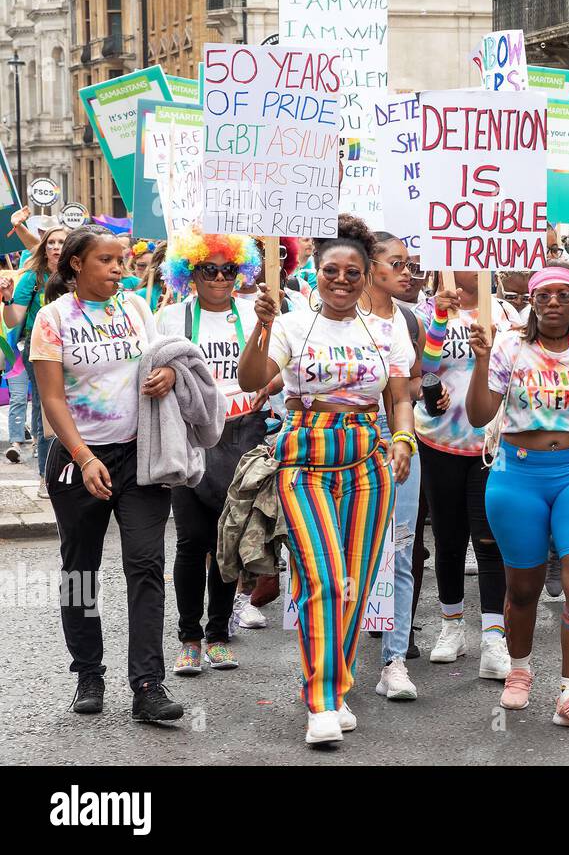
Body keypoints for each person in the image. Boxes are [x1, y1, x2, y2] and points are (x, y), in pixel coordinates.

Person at [238, 217, 416, 745]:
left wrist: (403, 440)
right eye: (331, 271)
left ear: (367, 277)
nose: (341, 280)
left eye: (352, 272)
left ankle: (333, 686)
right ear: (315, 274)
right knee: (324, 577)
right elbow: (252, 382)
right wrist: (261, 327)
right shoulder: (292, 325)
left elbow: (400, 396)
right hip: (305, 461)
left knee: (356, 584)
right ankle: (320, 704)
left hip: (368, 462)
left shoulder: (387, 330)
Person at [465, 263, 569, 734]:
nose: (554, 302)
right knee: (522, 587)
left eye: (564, 295)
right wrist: (480, 362)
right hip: (517, 476)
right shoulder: (509, 345)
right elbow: (480, 416)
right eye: (544, 295)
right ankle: (519, 669)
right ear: (532, 301)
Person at [30, 225, 185, 722]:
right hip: (80, 460)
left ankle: (147, 685)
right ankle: (88, 675)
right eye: (108, 260)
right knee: (80, 570)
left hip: (141, 458)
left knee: (145, 565)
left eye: (122, 260)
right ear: (77, 264)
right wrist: (83, 456)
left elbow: (163, 359)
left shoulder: (137, 308)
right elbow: (51, 397)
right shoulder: (52, 319)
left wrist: (170, 374)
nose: (120, 269)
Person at [155, 231, 268, 676]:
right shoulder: (170, 317)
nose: (220, 278)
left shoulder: (253, 313)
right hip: (191, 437)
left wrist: (270, 381)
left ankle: (219, 634)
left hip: (244, 434)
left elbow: (279, 366)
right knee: (190, 541)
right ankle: (189, 638)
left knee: (231, 540)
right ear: (190, 273)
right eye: (209, 269)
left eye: (229, 269)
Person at [415, 270, 515, 680]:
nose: (467, 268)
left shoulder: (508, 314)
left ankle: (494, 638)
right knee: (448, 538)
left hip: (491, 446)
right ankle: (451, 625)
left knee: (490, 540)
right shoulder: (427, 313)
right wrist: (440, 317)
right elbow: (423, 367)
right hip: (439, 443)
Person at [359, 231, 427, 701]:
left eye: (409, 263)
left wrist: (401, 433)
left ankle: (395, 660)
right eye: (397, 263)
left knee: (401, 551)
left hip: (398, 440)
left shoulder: (405, 319)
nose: (408, 272)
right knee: (350, 553)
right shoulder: (329, 316)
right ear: (370, 268)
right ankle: (331, 667)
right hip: (345, 441)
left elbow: (407, 388)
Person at [1, 226, 68, 487]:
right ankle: (46, 476)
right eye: (51, 242)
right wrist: (7, 300)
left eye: (62, 241)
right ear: (44, 248)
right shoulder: (32, 278)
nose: (55, 246)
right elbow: (13, 319)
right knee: (46, 410)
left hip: (76, 345)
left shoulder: (80, 274)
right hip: (40, 349)